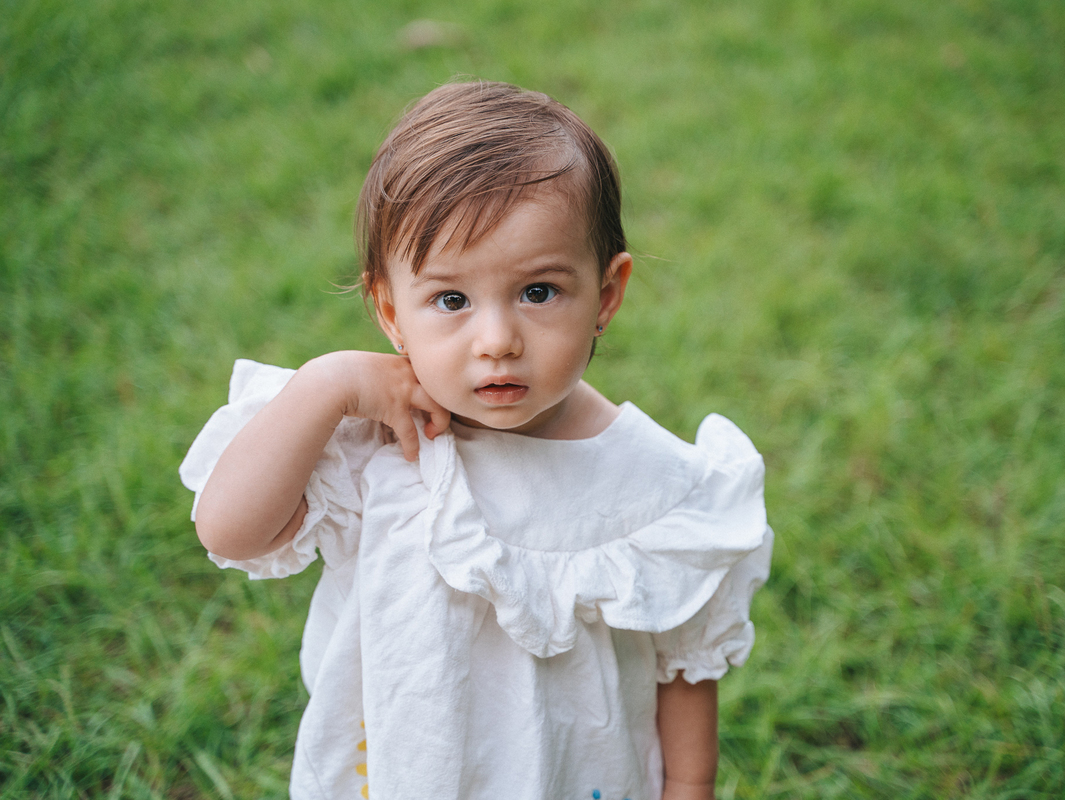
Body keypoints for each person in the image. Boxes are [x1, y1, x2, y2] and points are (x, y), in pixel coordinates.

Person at [180, 80, 772, 800]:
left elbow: (683, 668)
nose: (497, 341)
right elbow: (230, 529)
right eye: (452, 301)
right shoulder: (374, 443)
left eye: (539, 292)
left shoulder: (659, 490)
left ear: (607, 295)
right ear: (392, 312)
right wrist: (326, 384)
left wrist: (688, 789)